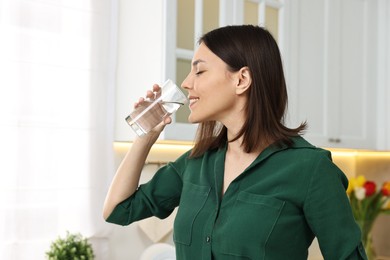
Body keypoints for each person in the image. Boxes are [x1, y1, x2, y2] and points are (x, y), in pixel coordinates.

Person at [103, 25, 367, 259]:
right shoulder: (196, 163)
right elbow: (118, 211)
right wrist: (144, 137)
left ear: (242, 79)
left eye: (200, 72)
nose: (186, 83)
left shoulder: (310, 169)